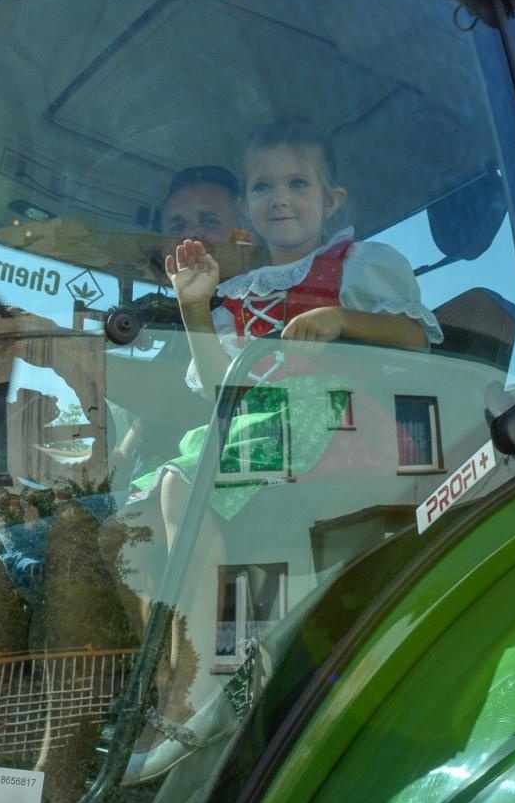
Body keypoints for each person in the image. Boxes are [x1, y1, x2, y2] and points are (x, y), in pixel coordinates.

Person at [0, 165, 250, 796]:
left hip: (209, 494)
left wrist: (71, 349)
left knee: (75, 532)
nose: (191, 234)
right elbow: (133, 435)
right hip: (139, 488)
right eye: (178, 223)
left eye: (209, 220)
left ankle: (60, 776)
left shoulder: (240, 316)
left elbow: (195, 400)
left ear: (243, 236)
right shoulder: (157, 315)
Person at [131, 115, 443, 533]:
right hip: (262, 437)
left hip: (339, 434)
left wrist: (339, 318)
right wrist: (195, 308)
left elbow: (414, 337)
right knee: (136, 527)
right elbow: (224, 395)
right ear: (245, 208)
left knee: (178, 489)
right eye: (263, 187)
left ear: (330, 201)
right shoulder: (239, 296)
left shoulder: (357, 264)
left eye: (297, 183)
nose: (279, 199)